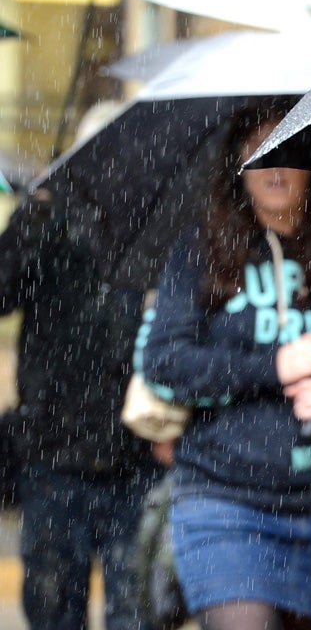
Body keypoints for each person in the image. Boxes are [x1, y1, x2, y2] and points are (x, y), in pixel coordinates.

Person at [139, 97, 311, 630]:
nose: (275, 166)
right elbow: (166, 362)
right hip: (222, 496)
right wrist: (276, 366)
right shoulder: (201, 250)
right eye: (259, 150)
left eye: (288, 149)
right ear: (240, 165)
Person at [0, 186, 160, 630]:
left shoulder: (160, 225)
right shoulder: (47, 222)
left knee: (135, 613)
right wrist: (32, 215)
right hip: (51, 456)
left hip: (137, 459)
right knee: (52, 608)